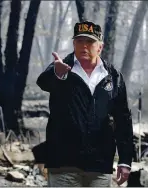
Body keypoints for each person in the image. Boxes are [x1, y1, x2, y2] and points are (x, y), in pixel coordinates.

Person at [35, 21, 133, 187]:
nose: (84, 46)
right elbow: (43, 82)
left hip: (100, 164)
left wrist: (125, 160)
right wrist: (57, 74)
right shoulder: (62, 67)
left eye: (90, 42)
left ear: (100, 47)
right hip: (63, 163)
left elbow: (123, 119)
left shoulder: (113, 77)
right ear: (74, 44)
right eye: (79, 41)